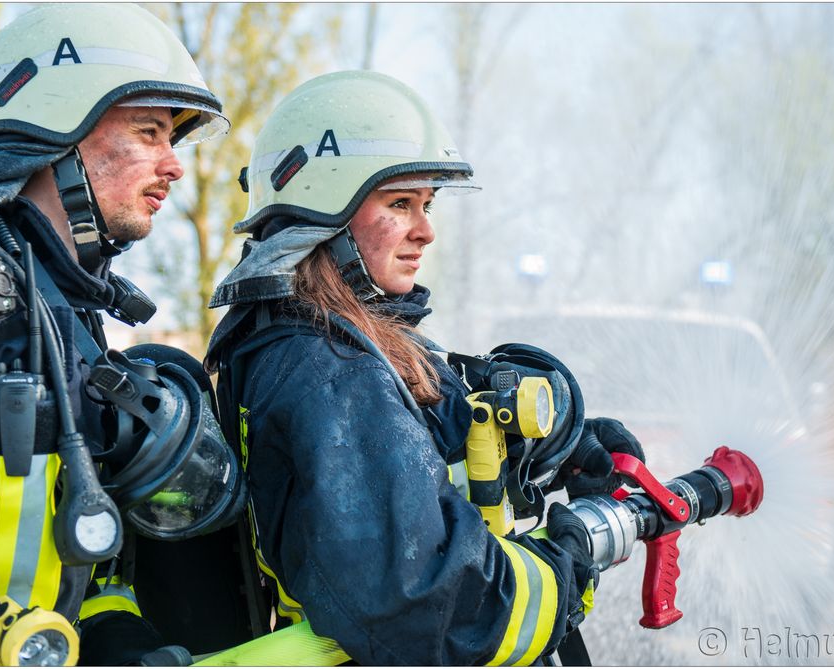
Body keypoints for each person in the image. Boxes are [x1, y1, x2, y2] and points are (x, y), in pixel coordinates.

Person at [205, 70, 646, 665]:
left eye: (428, 204)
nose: (427, 230)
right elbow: (440, 608)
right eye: (400, 203)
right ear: (322, 214)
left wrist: (554, 449)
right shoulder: (333, 373)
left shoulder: (316, 348)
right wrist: (570, 557)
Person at [0, 4, 244, 665]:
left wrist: (120, 642)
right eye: (149, 131)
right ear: (55, 130)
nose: (174, 165)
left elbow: (70, 554)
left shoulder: (63, 317)